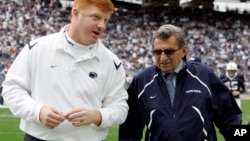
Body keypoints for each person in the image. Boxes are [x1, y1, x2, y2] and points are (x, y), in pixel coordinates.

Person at [2, 0, 129, 141]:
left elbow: (120, 107)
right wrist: (38, 111)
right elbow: (11, 89)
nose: (102, 25)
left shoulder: (112, 63)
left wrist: (97, 116)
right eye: (96, 17)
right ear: (75, 14)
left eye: (105, 20)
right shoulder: (38, 48)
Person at [119, 24, 242, 141]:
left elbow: (230, 117)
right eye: (157, 52)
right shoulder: (141, 81)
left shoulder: (204, 75)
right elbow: (129, 129)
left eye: (169, 51)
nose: (163, 58)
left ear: (184, 51)